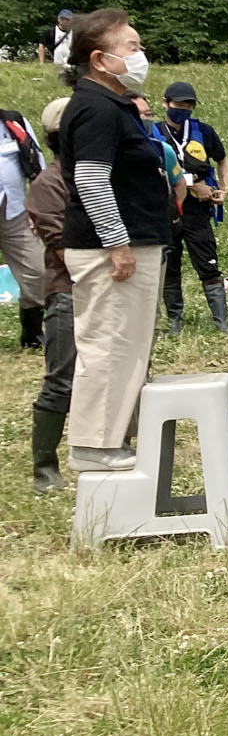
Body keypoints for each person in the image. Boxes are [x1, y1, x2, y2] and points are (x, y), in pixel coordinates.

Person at [55, 10, 175, 468]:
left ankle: (116, 435)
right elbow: (90, 179)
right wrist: (117, 244)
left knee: (126, 344)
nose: (141, 55)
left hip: (132, 242)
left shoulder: (112, 104)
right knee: (108, 342)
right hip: (111, 250)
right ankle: (95, 445)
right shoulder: (96, 109)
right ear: (100, 60)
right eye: (132, 47)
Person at [156, 81, 228, 337]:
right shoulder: (154, 134)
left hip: (199, 212)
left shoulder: (203, 131)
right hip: (167, 211)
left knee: (209, 265)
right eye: (178, 104)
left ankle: (222, 322)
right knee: (170, 267)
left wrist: (224, 188)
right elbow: (158, 173)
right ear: (165, 103)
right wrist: (193, 185)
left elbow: (222, 159)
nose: (183, 109)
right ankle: (174, 322)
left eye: (188, 105)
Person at [24, 100, 74, 494]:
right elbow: (62, 248)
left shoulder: (103, 176)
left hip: (113, 293)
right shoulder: (49, 185)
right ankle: (45, 467)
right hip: (70, 294)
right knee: (62, 379)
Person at [0, 99, 48, 351]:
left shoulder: (13, 121)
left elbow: (38, 165)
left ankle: (31, 333)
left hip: (15, 210)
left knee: (38, 270)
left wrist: (37, 206)